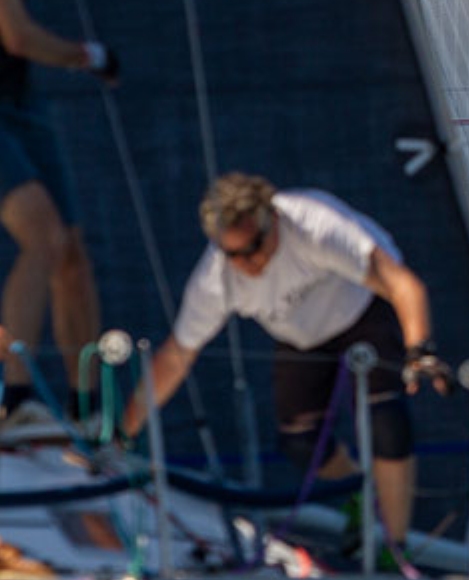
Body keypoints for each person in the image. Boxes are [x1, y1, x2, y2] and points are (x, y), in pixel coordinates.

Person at [118, 173, 449, 546]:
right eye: (233, 255)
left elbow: (402, 284)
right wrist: (121, 434)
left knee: (386, 420)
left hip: (363, 309)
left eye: (255, 247)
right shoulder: (214, 278)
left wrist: (419, 351)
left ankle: (395, 545)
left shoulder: (314, 225)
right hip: (301, 337)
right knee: (300, 445)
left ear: (272, 219)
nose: (248, 263)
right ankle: (362, 495)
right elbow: (176, 357)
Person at [0, 0, 119, 424]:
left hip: (18, 104)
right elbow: (15, 34)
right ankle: (12, 398)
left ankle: (90, 413)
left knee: (71, 254)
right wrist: (91, 57)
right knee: (40, 236)